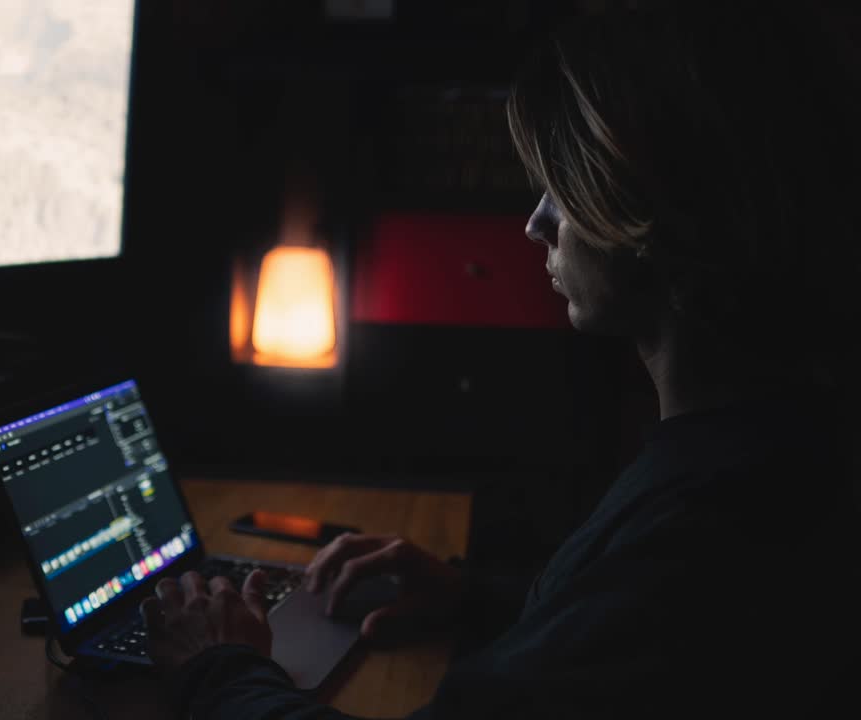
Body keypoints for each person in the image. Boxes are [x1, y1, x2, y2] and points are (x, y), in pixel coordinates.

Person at [138, 2, 861, 718]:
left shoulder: (713, 522)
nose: (536, 221)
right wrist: (482, 599)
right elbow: (631, 650)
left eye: (563, 188)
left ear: (653, 206)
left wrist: (217, 665)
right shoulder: (759, 445)